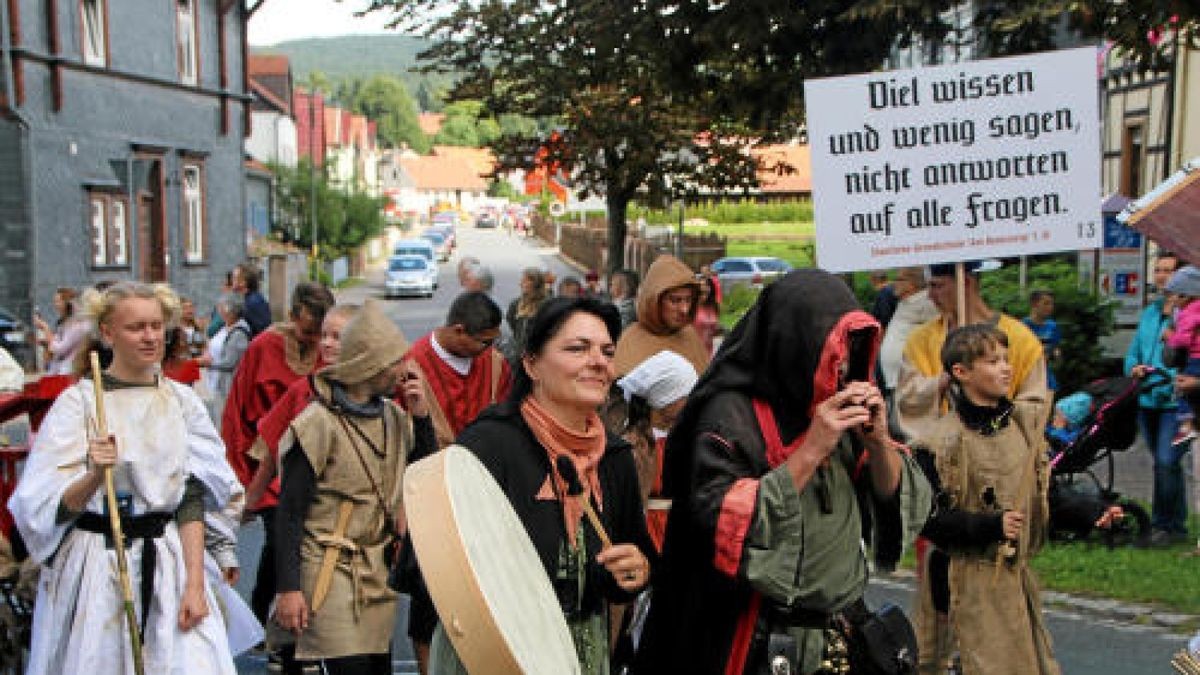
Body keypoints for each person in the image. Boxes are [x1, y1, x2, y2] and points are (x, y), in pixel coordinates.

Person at [632, 270, 930, 675]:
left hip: (835, 634)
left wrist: (878, 441)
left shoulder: (843, 404)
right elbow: (724, 525)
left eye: (850, 347)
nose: (843, 362)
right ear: (797, 343)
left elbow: (897, 505)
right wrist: (812, 450)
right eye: (833, 348)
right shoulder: (728, 414)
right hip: (752, 640)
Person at [11, 281, 241, 674]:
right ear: (107, 333)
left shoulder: (181, 402)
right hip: (96, 569)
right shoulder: (78, 404)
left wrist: (195, 586)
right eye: (137, 327)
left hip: (169, 565)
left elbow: (190, 499)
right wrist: (93, 476)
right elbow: (44, 507)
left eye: (156, 325)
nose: (151, 337)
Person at [429, 296, 656, 675]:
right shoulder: (486, 447)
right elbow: (435, 573)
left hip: (582, 655)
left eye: (607, 351)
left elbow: (632, 564)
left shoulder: (615, 458)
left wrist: (636, 571)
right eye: (578, 348)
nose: (599, 361)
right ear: (532, 364)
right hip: (495, 657)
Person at [273, 300, 436, 675]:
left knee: (377, 667)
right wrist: (289, 588)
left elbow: (422, 474)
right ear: (369, 364)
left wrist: (422, 417)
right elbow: (290, 512)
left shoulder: (394, 416)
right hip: (327, 570)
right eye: (395, 361)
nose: (404, 369)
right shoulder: (317, 424)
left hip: (374, 569)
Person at [911, 324, 1067, 675]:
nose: (1006, 368)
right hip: (965, 581)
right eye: (993, 361)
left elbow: (1044, 493)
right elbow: (927, 518)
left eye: (1006, 359)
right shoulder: (938, 443)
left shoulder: (1023, 427)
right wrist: (989, 526)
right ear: (961, 372)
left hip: (1015, 583)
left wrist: (1094, 513)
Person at [402, 292, 512, 671]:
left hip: (485, 501)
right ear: (459, 331)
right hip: (431, 502)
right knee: (430, 603)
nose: (491, 349)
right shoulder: (412, 365)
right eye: (484, 341)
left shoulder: (497, 366)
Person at [221, 281, 335, 627]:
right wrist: (238, 471)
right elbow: (238, 410)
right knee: (277, 541)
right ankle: (261, 615)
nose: (316, 342)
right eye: (308, 333)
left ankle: (302, 616)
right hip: (266, 458)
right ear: (293, 317)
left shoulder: (330, 348)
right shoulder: (263, 346)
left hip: (312, 458)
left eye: (321, 334)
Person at [895, 261, 1048, 444]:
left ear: (965, 282)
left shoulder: (1021, 338)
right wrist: (941, 383)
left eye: (937, 286)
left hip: (1005, 456)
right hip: (942, 457)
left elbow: (1035, 404)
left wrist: (994, 418)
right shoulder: (920, 340)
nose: (930, 295)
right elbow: (906, 398)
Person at [241, 304, 361, 518]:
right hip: (299, 507)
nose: (326, 343)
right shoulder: (303, 389)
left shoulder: (374, 395)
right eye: (324, 335)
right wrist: (250, 501)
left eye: (336, 337)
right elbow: (271, 451)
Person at [1125, 251, 1186, 545]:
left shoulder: (1188, 315)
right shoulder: (1150, 312)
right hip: (1146, 399)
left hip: (1174, 401)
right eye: (1158, 270)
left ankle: (1163, 525)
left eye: (1168, 270)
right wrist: (1133, 368)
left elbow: (1182, 355)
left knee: (1166, 460)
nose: (1162, 276)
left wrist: (1173, 324)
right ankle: (1177, 523)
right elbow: (1135, 349)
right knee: (1164, 464)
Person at [611, 350, 698, 551]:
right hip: (649, 538)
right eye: (685, 395)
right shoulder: (636, 445)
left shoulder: (686, 436)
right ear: (665, 397)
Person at [613, 254, 708, 377]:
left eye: (688, 300)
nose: (684, 309)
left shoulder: (690, 337)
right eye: (675, 301)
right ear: (655, 301)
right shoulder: (630, 342)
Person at [878, 267, 939, 397]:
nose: (894, 283)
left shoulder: (926, 302)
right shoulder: (906, 302)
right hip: (897, 381)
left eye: (899, 279)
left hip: (911, 382)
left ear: (912, 283)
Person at [203, 293, 252, 421]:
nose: (219, 311)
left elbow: (230, 363)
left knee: (224, 420)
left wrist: (209, 364)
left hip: (230, 386)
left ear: (229, 311)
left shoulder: (239, 332)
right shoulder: (227, 327)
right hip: (220, 383)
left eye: (222, 308)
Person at [34, 287, 89, 375]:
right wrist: (46, 343)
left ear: (67, 303)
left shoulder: (78, 325)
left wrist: (45, 328)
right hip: (58, 369)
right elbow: (55, 342)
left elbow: (59, 348)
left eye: (58, 301)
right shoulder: (63, 323)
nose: (55, 305)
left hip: (69, 370)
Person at [505, 267, 550, 367]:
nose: (521, 283)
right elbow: (510, 325)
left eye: (526, 280)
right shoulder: (515, 304)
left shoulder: (546, 304)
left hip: (538, 357)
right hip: (518, 357)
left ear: (535, 283)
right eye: (522, 279)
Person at [1023, 289, 1062, 392]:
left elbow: (1056, 350)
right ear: (1034, 304)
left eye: (1052, 304)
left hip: (1047, 379)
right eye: (1046, 303)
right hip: (1026, 380)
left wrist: (1056, 354)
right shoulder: (1022, 327)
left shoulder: (1053, 326)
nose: (1050, 307)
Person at [233, 262, 272, 336]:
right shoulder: (249, 299)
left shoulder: (254, 302)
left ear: (243, 282)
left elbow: (263, 331)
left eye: (235, 278)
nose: (232, 281)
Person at [692, 275, 721, 356]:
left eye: (707, 285)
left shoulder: (713, 306)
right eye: (701, 286)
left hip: (708, 353)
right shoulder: (690, 307)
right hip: (693, 352)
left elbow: (715, 329)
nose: (704, 288)